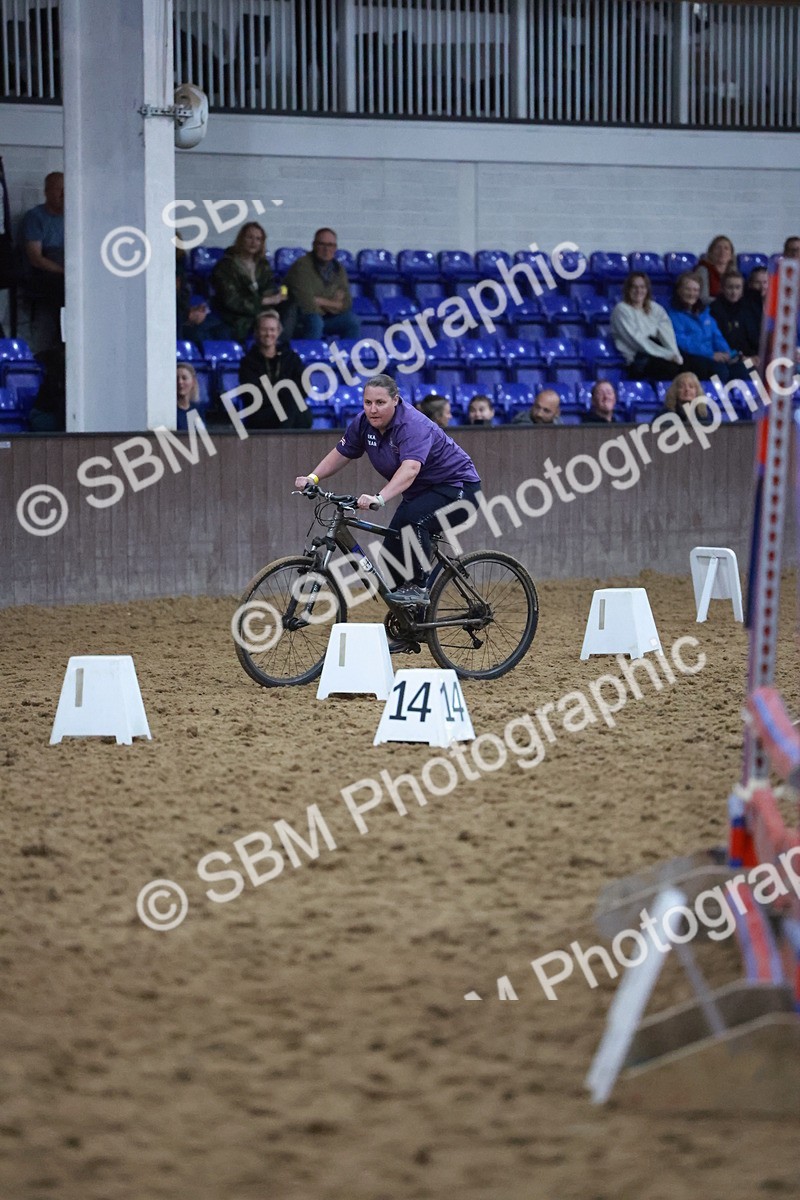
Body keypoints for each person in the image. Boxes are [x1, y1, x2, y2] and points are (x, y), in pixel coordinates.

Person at [294, 374, 480, 606]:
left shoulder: (412, 425)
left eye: (380, 403)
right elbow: (342, 452)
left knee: (415, 521)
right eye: (368, 403)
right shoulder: (363, 423)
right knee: (391, 555)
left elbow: (410, 469)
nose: (373, 409)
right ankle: (409, 624)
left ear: (395, 400)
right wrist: (313, 477)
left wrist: (380, 498)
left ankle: (419, 587)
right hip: (421, 494)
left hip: (458, 489)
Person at [667, 271, 750, 383]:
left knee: (744, 368)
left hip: (713, 357)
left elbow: (717, 336)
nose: (692, 294)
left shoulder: (705, 313)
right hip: (691, 358)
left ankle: (737, 400)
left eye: (695, 290)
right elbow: (683, 342)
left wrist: (727, 353)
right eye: (688, 289)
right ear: (679, 290)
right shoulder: (672, 315)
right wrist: (710, 354)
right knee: (720, 371)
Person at [210, 222, 285, 342]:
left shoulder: (263, 265)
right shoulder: (225, 266)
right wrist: (264, 301)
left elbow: (269, 288)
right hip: (234, 315)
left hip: (260, 312)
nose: (254, 242)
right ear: (241, 239)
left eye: (258, 239)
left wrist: (275, 298)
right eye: (249, 237)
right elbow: (231, 300)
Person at [237, 310, 311, 430]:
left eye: (272, 330)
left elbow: (304, 387)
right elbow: (252, 395)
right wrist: (285, 390)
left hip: (290, 409)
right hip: (261, 413)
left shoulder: (291, 358)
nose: (268, 334)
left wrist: (271, 389)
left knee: (303, 414)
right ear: (256, 332)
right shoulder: (248, 362)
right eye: (264, 329)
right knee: (292, 405)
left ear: (278, 332)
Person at [284, 227, 360, 341]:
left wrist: (319, 301)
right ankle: (312, 356)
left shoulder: (338, 269)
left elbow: (346, 303)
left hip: (326, 318)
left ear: (335, 248)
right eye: (322, 244)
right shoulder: (301, 266)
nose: (326, 249)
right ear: (314, 245)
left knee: (352, 322)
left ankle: (347, 357)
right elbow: (307, 303)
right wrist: (334, 304)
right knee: (316, 322)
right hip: (300, 318)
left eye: (330, 245)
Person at [20, 171, 64, 350]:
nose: (64, 195)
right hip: (45, 275)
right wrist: (64, 272)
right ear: (47, 192)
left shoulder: (75, 217)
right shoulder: (35, 217)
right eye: (59, 190)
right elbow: (36, 258)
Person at [610, 272, 683, 381]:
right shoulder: (621, 310)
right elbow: (636, 340)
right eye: (634, 287)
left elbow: (667, 334)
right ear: (628, 289)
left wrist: (675, 354)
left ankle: (714, 392)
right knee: (670, 369)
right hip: (638, 358)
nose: (638, 291)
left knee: (696, 365)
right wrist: (667, 355)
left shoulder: (655, 308)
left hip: (658, 351)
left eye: (642, 287)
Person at [710, 270, 761, 362]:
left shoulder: (749, 308)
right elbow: (720, 341)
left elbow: (755, 337)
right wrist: (742, 357)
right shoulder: (714, 310)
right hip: (731, 359)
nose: (734, 292)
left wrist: (757, 356)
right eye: (730, 287)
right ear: (722, 288)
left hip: (752, 357)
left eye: (738, 288)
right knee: (748, 373)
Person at [696, 235, 735, 305]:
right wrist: (726, 303)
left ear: (731, 255)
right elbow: (702, 298)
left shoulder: (734, 273)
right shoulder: (703, 270)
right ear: (710, 253)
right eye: (718, 248)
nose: (722, 251)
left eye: (726, 248)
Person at [176, 363, 202, 430]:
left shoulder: (197, 409)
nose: (180, 382)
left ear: (193, 382)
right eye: (176, 378)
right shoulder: (170, 411)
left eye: (184, 378)